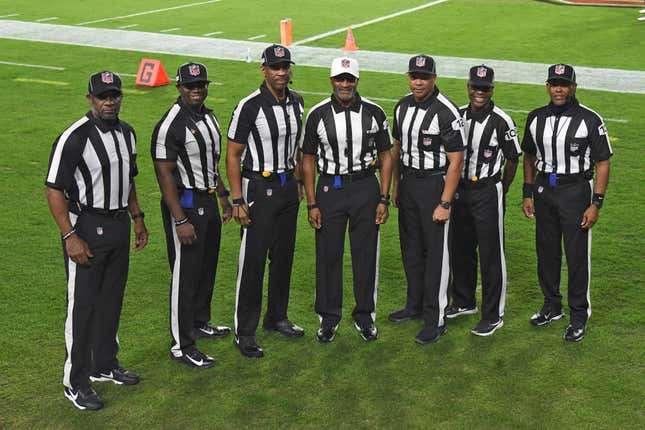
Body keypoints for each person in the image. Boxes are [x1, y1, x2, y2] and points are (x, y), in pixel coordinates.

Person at [45, 71, 148, 410]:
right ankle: (75, 382)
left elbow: (128, 180)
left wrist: (137, 218)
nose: (109, 101)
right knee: (83, 307)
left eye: (114, 95)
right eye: (103, 95)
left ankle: (104, 365)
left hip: (118, 224)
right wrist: (70, 235)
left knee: (111, 302)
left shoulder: (128, 133)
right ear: (89, 98)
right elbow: (54, 188)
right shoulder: (75, 137)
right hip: (86, 226)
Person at [301, 57, 393, 343]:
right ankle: (328, 318)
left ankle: (365, 316)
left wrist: (384, 197)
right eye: (340, 79)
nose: (345, 84)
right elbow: (308, 160)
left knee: (365, 254)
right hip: (330, 188)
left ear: (357, 80)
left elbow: (386, 157)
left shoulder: (374, 113)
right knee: (328, 255)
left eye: (349, 79)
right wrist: (312, 203)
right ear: (331, 81)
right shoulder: (317, 114)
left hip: (365, 187)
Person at [522, 64, 612, 342]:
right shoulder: (535, 117)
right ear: (548, 87)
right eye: (554, 84)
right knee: (546, 252)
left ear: (574, 87)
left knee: (576, 257)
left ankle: (578, 315)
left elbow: (603, 162)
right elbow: (528, 155)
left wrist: (596, 202)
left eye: (564, 84)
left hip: (575, 190)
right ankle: (552, 306)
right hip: (544, 189)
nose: (558, 89)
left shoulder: (589, 119)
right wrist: (527, 192)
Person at [151, 62, 232, 368]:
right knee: (185, 275)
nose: (196, 90)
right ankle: (181, 344)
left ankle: (199, 321)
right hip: (185, 203)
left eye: (201, 85)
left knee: (206, 267)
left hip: (208, 199)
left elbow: (210, 163)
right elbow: (164, 174)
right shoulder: (171, 123)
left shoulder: (208, 116)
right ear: (179, 88)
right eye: (190, 86)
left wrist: (222, 196)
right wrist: (180, 219)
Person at [226, 44, 305, 358]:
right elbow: (232, 154)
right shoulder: (249, 106)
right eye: (275, 67)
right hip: (258, 186)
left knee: (283, 257)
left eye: (285, 67)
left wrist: (298, 181)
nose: (281, 72)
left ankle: (277, 317)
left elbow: (298, 148)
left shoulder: (297, 102)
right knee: (253, 261)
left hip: (287, 188)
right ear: (264, 70)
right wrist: (236, 199)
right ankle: (245, 331)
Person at [388, 55, 466, 344]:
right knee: (411, 249)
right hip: (409, 183)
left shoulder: (446, 111)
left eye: (424, 76)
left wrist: (445, 203)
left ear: (434, 78)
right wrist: (397, 187)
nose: (418, 81)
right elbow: (397, 148)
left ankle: (437, 318)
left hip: (435, 184)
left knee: (436, 255)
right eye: (414, 76)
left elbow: (456, 161)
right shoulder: (402, 105)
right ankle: (415, 305)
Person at [446, 65, 521, 336]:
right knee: (460, 247)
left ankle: (493, 314)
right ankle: (464, 301)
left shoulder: (502, 120)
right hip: (460, 190)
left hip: (488, 189)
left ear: (492, 89)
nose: (479, 92)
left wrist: (503, 186)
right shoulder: (457, 116)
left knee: (491, 253)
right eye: (475, 87)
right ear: (468, 87)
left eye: (485, 88)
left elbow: (513, 158)